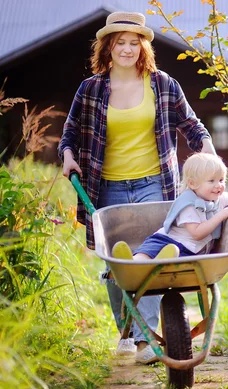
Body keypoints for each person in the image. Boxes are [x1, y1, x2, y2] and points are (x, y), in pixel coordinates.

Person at [58, 11, 216, 364]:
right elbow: (68, 133)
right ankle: (127, 333)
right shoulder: (91, 90)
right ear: (108, 47)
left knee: (151, 258)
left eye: (133, 43)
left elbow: (192, 125)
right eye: (120, 43)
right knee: (118, 263)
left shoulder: (162, 84)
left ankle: (145, 341)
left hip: (155, 184)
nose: (127, 49)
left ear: (143, 47)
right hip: (107, 187)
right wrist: (68, 156)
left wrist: (207, 150)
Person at [112, 153, 228, 261]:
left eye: (221, 180)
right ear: (193, 184)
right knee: (147, 253)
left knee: (176, 259)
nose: (218, 185)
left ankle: (160, 262)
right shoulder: (188, 204)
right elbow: (197, 233)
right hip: (167, 239)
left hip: (189, 250)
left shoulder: (220, 198)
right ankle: (131, 263)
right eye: (211, 181)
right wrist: (223, 214)